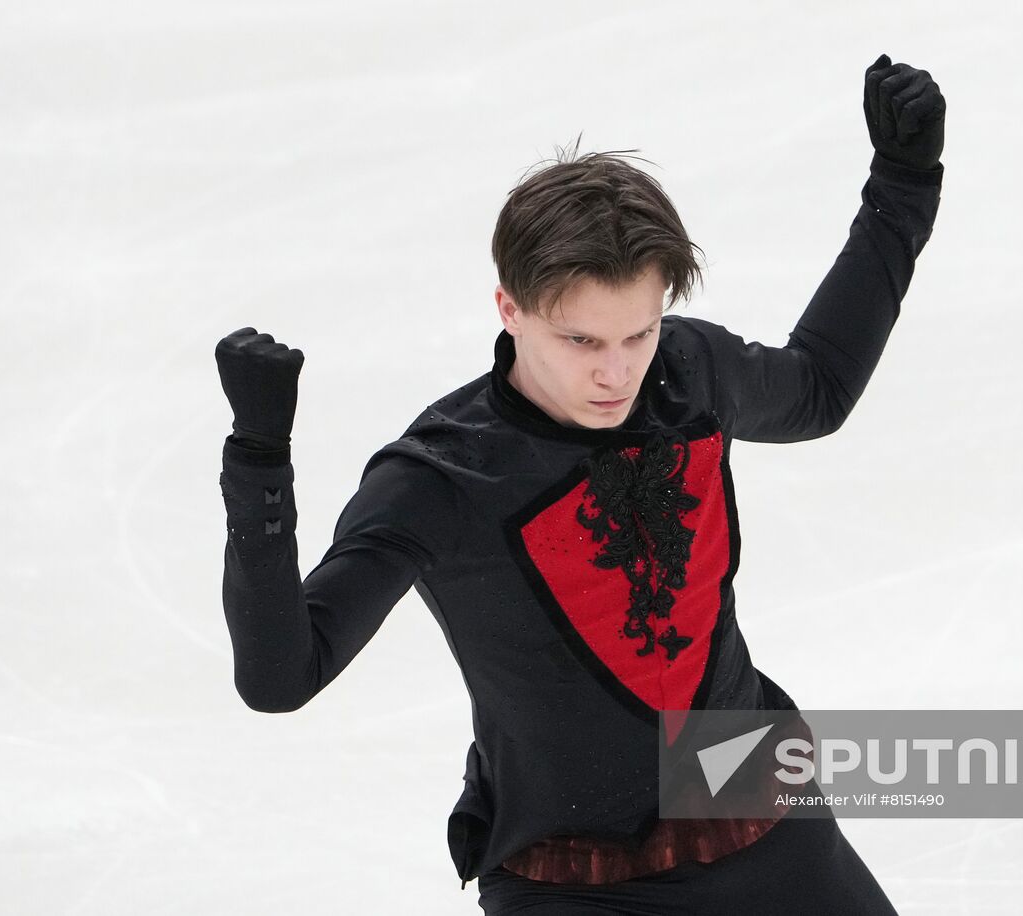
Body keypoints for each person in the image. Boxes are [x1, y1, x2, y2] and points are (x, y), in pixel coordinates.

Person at [215, 53, 944, 914]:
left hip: (751, 800)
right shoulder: (442, 476)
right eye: (581, 343)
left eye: (637, 333)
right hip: (569, 872)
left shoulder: (688, 375)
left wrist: (903, 182)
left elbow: (817, 388)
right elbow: (281, 676)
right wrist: (259, 456)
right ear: (509, 310)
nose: (618, 373)